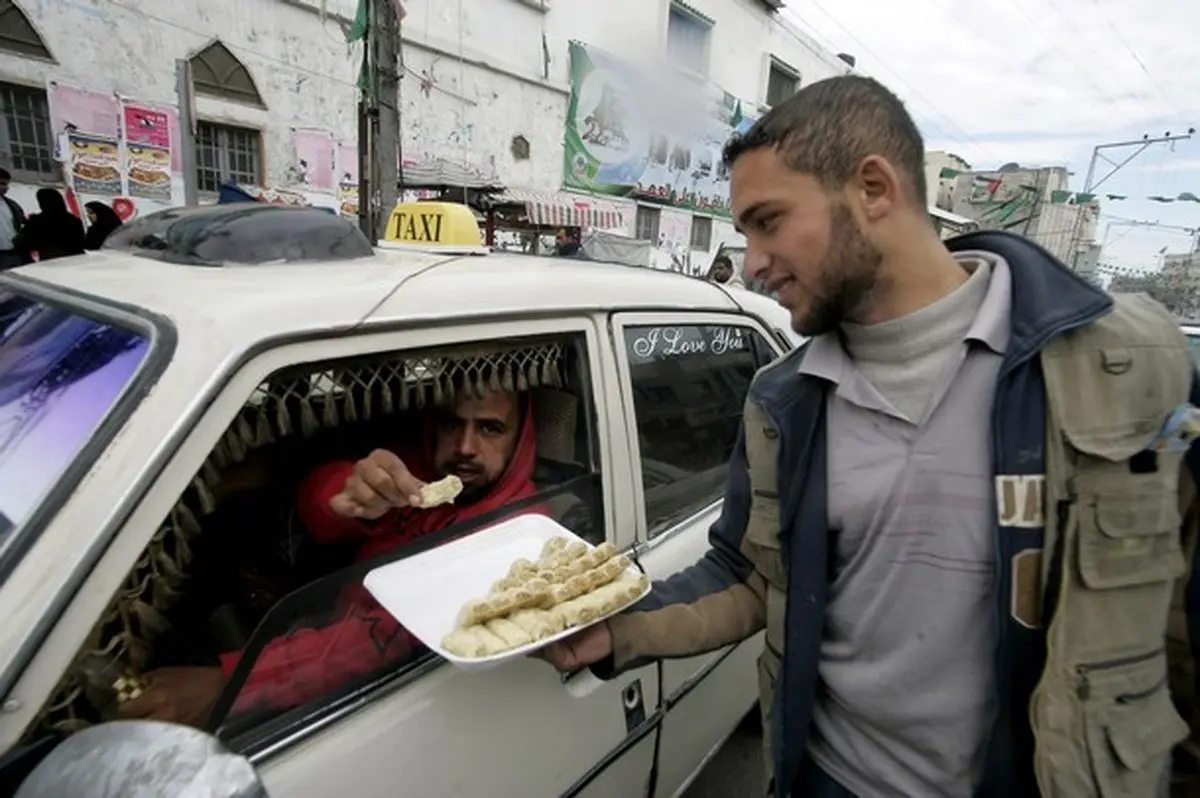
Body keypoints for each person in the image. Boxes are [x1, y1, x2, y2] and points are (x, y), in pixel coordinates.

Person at [541, 75, 1200, 797]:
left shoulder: (1121, 364)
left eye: (768, 221)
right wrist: (614, 630)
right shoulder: (784, 403)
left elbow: (1177, 613)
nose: (752, 262)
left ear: (873, 189)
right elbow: (750, 576)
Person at [118, 386, 538, 726]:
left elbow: (382, 639)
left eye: (490, 429)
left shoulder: (518, 534)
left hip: (364, 688)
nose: (464, 446)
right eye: (452, 423)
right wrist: (345, 497)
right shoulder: (423, 470)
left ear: (520, 439)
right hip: (312, 623)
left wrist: (230, 682)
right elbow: (325, 496)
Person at [15, 188, 85, 262]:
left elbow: (21, 242)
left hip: (50, 261)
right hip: (76, 261)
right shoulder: (73, 220)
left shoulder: (37, 221)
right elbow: (81, 243)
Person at [0, 168, 27, 269]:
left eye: (6, 184)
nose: (5, 188)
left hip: (13, 254)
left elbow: (22, 225)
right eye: (2, 184)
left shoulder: (12, 205)